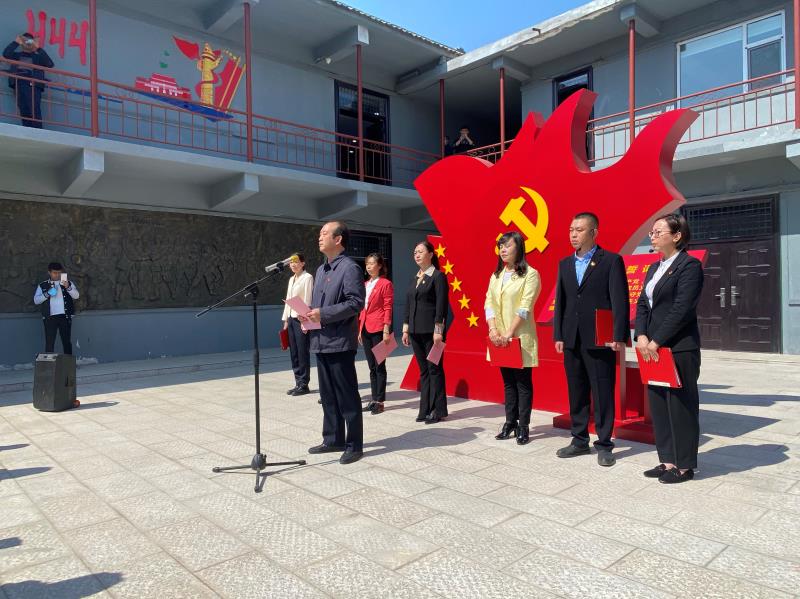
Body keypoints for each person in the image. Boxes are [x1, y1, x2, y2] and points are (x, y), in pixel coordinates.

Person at [553, 212, 629, 467]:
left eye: (579, 230)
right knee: (577, 391)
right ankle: (579, 440)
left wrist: (618, 335)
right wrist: (559, 334)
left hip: (599, 338)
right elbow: (561, 301)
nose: (573, 234)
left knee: (602, 391)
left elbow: (619, 300)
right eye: (571, 229)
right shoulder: (565, 263)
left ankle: (605, 444)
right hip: (571, 337)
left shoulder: (611, 261)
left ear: (594, 232)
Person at [636, 213, 704, 484]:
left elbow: (682, 309)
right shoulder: (654, 267)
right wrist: (641, 335)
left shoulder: (689, 266)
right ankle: (667, 460)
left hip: (678, 348)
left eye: (658, 232)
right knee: (659, 404)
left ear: (676, 236)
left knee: (681, 406)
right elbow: (643, 303)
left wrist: (656, 341)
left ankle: (685, 466)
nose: (652, 236)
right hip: (652, 348)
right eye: (651, 232)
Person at [301, 221, 365, 464]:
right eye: (320, 233)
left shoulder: (350, 268)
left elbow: (355, 303)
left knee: (346, 395)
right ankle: (333, 439)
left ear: (338, 239)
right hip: (320, 340)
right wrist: (307, 314)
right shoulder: (321, 270)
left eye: (324, 233)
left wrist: (323, 314)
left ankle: (354, 444)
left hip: (339, 341)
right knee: (328, 395)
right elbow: (319, 305)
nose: (320, 237)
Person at [485, 232, 541, 445]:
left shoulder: (530, 274)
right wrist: (493, 330)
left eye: (508, 245)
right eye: (501, 246)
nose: (503, 249)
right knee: (508, 382)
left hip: (519, 337)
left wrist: (508, 334)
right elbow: (489, 302)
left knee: (522, 383)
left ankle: (523, 425)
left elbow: (525, 307)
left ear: (519, 248)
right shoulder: (496, 275)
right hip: (499, 337)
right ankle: (510, 422)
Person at [402, 241, 449, 424]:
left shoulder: (438, 277)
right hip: (415, 331)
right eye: (415, 252)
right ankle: (425, 409)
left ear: (431, 254)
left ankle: (438, 410)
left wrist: (438, 331)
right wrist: (406, 329)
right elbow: (408, 304)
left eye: (421, 252)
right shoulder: (415, 278)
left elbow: (441, 306)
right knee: (423, 371)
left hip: (432, 332)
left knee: (434, 369)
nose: (417, 255)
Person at [358, 253, 394, 415]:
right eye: (367, 263)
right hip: (365, 328)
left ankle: (380, 402)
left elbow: (388, 307)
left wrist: (386, 329)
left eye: (372, 263)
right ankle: (373, 399)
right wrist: (359, 329)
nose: (369, 266)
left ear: (379, 266)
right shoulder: (365, 284)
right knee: (371, 367)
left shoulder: (386, 284)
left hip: (379, 328)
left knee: (380, 366)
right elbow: (362, 309)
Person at [3, 33, 54, 128]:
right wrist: (16, 42)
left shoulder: (37, 57)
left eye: (30, 41)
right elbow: (6, 54)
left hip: (33, 85)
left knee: (34, 109)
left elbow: (49, 64)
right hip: (19, 83)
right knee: (24, 109)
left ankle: (38, 130)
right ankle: (27, 129)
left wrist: (37, 48)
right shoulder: (16, 55)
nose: (28, 43)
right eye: (25, 40)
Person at [281, 253, 313, 396]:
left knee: (302, 351)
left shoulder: (308, 277)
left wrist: (305, 322)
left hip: (301, 319)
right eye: (291, 262)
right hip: (291, 318)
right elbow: (288, 300)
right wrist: (285, 321)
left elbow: (308, 300)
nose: (293, 264)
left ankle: (304, 384)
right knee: (293, 352)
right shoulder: (291, 279)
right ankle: (297, 382)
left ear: (303, 263)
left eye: (296, 262)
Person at [33, 262, 79, 354]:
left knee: (66, 341)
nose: (57, 275)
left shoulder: (67, 282)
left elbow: (76, 296)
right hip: (50, 317)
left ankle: (68, 362)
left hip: (64, 316)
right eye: (54, 273)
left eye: (59, 273)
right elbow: (36, 300)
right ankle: (49, 362)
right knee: (49, 342)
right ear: (49, 272)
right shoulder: (43, 285)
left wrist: (68, 287)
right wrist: (47, 294)